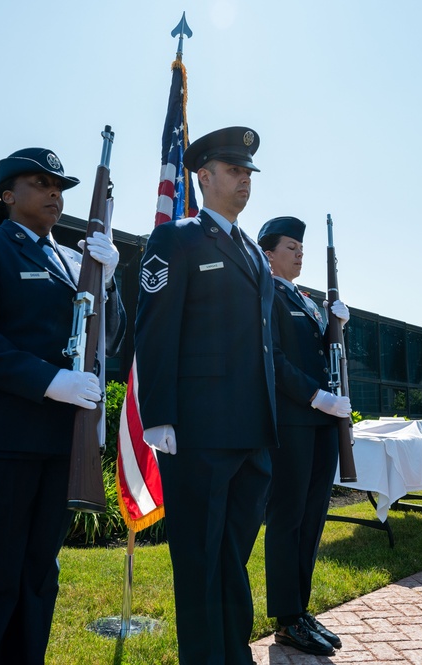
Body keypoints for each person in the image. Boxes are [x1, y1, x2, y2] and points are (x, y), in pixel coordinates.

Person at [0, 147, 126, 664]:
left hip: (53, 443)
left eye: (60, 187)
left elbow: (108, 342)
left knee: (38, 574)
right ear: (6, 194)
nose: (53, 194)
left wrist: (108, 286)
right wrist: (49, 381)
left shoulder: (73, 261)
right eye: (40, 183)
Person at [134, 126, 276, 665]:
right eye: (234, 171)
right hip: (198, 429)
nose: (244, 181)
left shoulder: (251, 250)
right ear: (204, 177)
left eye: (248, 174)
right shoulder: (178, 238)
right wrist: (159, 416)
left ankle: (232, 653)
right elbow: (156, 328)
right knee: (198, 558)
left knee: (233, 556)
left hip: (251, 432)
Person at [258, 216, 351, 657]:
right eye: (291, 247)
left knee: (313, 518)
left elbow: (324, 352)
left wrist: (338, 324)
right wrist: (316, 397)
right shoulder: (264, 294)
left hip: (321, 423)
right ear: (268, 253)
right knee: (288, 518)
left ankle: (300, 609)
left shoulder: (308, 300)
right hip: (293, 421)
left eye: (301, 247)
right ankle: (285, 616)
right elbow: (271, 359)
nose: (299, 254)